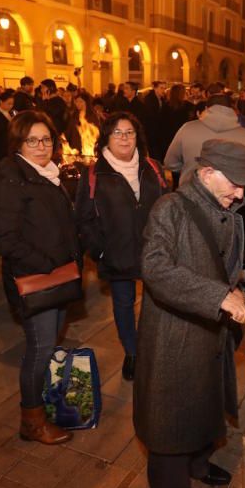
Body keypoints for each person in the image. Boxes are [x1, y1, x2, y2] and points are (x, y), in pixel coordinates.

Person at [134, 140, 245, 488]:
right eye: (236, 184)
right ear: (206, 174)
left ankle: (200, 464)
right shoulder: (169, 209)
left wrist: (236, 292)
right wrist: (217, 296)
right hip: (175, 332)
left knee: (207, 400)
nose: (241, 194)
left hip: (213, 329)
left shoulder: (229, 210)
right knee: (170, 417)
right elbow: (155, 270)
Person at [0, 112, 81, 445]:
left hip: (56, 274)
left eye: (47, 140)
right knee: (40, 349)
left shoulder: (47, 173)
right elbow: (6, 240)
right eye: (32, 140)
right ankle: (32, 421)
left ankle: (41, 404)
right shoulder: (9, 177)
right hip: (34, 278)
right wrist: (50, 262)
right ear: (18, 143)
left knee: (49, 343)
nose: (42, 147)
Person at [75, 112, 168, 381]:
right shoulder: (94, 173)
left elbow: (168, 207)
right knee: (124, 304)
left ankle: (153, 350)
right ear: (106, 137)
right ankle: (132, 352)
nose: (124, 138)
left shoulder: (153, 167)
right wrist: (99, 250)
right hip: (117, 252)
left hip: (154, 251)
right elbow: (84, 218)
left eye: (129, 132)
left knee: (157, 303)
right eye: (117, 132)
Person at [163, 91, 245, 183]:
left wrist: (189, 169)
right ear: (232, 109)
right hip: (231, 197)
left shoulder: (187, 129)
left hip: (191, 194)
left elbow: (170, 163)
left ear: (206, 108)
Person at [152, 83, 191, 167]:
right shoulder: (187, 107)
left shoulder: (166, 106)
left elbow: (161, 125)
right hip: (184, 138)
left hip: (168, 139)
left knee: (174, 165)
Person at [63, 91, 102, 158]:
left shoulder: (92, 116)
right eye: (77, 102)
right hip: (75, 147)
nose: (78, 104)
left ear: (86, 103)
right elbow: (69, 129)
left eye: (81, 101)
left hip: (87, 147)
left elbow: (96, 132)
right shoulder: (74, 115)